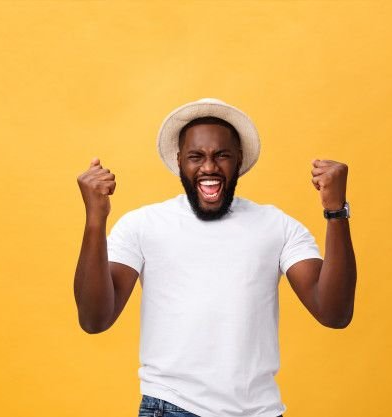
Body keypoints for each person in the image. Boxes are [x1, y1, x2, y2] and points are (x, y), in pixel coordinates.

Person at [74, 98, 357, 417]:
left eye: (221, 155)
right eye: (196, 156)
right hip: (172, 406)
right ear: (179, 161)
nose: (209, 167)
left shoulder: (276, 226)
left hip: (260, 411)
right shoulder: (143, 225)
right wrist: (96, 220)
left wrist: (335, 212)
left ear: (239, 160)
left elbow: (335, 313)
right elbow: (94, 319)